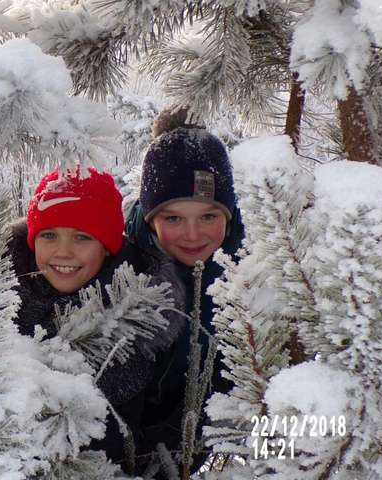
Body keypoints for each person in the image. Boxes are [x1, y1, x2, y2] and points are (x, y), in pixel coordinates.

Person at [6, 166, 186, 473]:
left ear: (106, 247)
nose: (63, 252)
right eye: (49, 235)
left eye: (82, 237)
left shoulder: (140, 314)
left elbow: (163, 422)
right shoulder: (1, 299)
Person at [124, 106, 244, 476]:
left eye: (208, 216)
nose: (193, 235)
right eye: (173, 218)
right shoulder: (124, 265)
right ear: (149, 216)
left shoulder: (246, 268)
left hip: (203, 442)